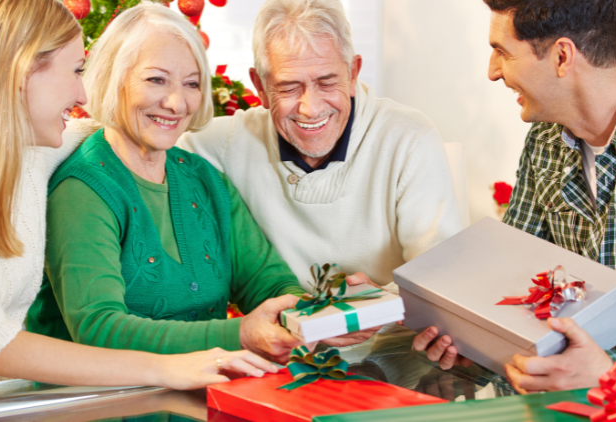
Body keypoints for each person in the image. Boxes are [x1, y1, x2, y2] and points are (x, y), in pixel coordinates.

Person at [0, 0, 277, 395]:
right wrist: (167, 368)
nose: (83, 93)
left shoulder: (34, 150)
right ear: (23, 70)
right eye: (77, 71)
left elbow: (128, 130)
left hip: (2, 404)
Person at [26, 1, 377, 365]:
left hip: (196, 396)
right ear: (114, 79)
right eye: (156, 79)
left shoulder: (206, 180)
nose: (176, 102)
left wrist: (318, 316)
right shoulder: (83, 189)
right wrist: (238, 335)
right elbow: (98, 328)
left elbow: (268, 283)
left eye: (191, 84)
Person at [177, 0, 465, 359]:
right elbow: (143, 149)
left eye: (327, 82)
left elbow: (444, 276)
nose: (311, 108)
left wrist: (381, 301)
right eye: (289, 87)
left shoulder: (408, 137)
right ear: (260, 86)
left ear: (353, 72)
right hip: (279, 357)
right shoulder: (217, 145)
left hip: (393, 355)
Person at [480, 0, 616, 393]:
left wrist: (615, 373)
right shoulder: (544, 142)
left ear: (563, 57)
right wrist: (471, 338)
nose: (493, 72)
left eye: (502, 52)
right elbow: (512, 280)